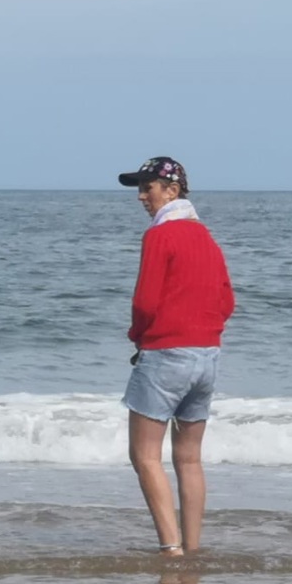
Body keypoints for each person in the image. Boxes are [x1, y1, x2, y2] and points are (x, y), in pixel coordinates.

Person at [118, 156, 234, 556]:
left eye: (147, 188)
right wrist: (205, 332)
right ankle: (193, 548)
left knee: (144, 456)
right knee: (189, 459)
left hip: (165, 354)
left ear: (172, 190)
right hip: (206, 357)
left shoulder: (160, 235)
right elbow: (227, 300)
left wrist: (138, 336)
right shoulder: (206, 237)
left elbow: (145, 301)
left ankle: (171, 549)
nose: (141, 196)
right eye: (140, 188)